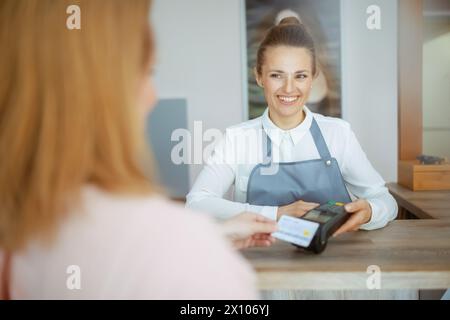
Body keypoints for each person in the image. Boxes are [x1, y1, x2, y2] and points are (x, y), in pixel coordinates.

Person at [0, 0, 278, 299]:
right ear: (259, 77)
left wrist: (212, 237)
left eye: (300, 75)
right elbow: (194, 207)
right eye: (147, 72)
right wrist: (202, 245)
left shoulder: (17, 231)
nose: (153, 97)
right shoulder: (190, 260)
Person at [187, 14, 398, 236]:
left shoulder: (338, 134)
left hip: (333, 263)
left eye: (300, 76)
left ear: (313, 77)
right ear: (259, 77)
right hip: (259, 261)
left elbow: (386, 200)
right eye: (277, 75)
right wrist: (275, 213)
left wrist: (371, 211)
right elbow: (197, 203)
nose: (289, 89)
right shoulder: (237, 139)